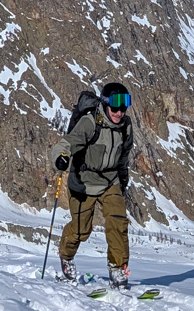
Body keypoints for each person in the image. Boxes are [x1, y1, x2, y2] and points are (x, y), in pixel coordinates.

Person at [52, 81, 133, 288]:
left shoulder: (125, 127)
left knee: (118, 222)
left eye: (124, 106)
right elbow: (67, 143)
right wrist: (60, 157)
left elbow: (123, 156)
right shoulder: (90, 123)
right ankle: (66, 256)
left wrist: (123, 178)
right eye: (115, 106)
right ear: (106, 104)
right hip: (84, 182)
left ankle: (117, 269)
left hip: (110, 181)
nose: (119, 111)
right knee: (81, 230)